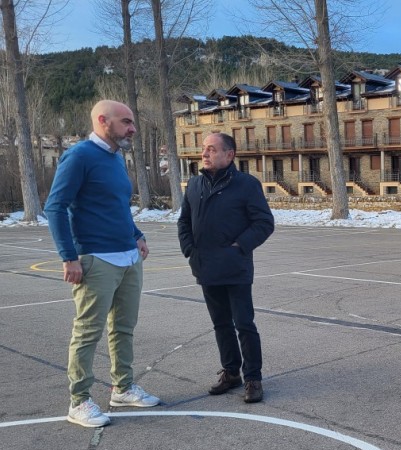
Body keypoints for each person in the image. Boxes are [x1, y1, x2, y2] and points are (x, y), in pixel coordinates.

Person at [44, 99, 160, 428]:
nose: (132, 128)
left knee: (124, 328)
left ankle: (122, 388)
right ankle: (79, 400)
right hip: (96, 259)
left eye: (132, 122)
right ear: (102, 121)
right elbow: (55, 207)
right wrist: (69, 256)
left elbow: (118, 205)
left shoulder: (115, 158)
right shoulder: (79, 156)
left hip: (128, 257)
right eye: (126, 122)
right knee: (87, 333)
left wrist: (137, 234)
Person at [177, 133, 274, 403]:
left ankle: (253, 378)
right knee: (221, 324)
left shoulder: (246, 185)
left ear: (229, 155)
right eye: (203, 149)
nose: (204, 154)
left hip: (235, 268)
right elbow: (184, 222)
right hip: (205, 267)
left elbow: (264, 223)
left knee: (244, 323)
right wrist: (189, 249)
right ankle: (231, 373)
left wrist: (240, 246)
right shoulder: (194, 184)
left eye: (211, 149)